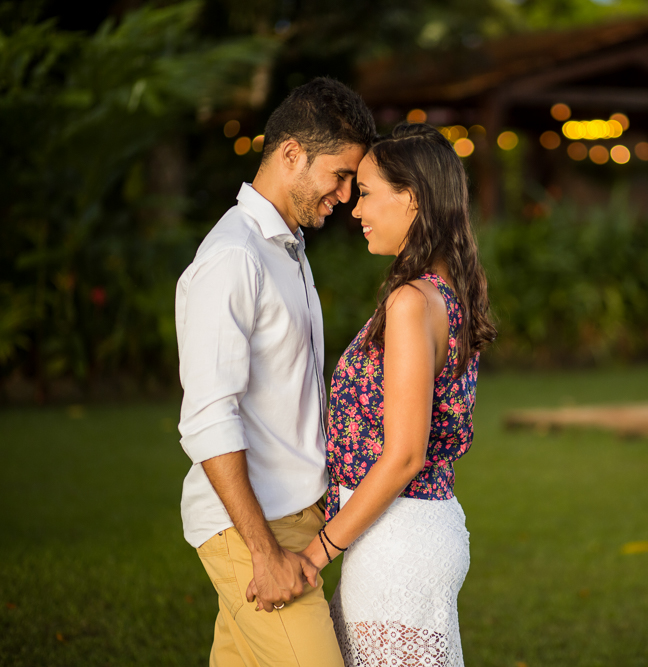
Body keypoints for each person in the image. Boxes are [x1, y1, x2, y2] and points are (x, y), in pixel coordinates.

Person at [249, 122, 496, 666]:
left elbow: (405, 453)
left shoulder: (413, 302)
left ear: (411, 198)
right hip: (408, 531)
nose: (355, 210)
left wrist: (315, 554)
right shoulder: (444, 293)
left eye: (365, 193)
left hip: (398, 543)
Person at [175, 77, 376, 666]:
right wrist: (263, 551)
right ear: (291, 154)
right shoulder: (234, 256)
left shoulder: (285, 246)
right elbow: (210, 417)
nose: (344, 196)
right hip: (255, 528)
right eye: (339, 176)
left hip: (296, 515)